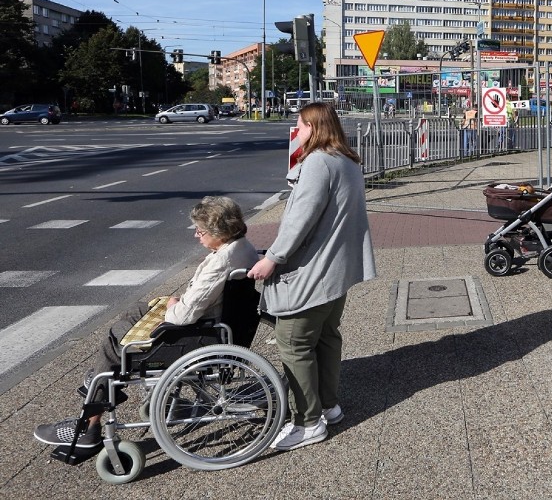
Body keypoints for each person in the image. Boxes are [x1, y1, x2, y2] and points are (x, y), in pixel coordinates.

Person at [33, 196, 259, 449]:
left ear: (220, 231)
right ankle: (102, 378)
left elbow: (184, 316)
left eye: (201, 231)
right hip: (215, 325)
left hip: (197, 335)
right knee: (138, 309)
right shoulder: (242, 247)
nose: (197, 235)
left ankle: (90, 426)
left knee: (112, 342)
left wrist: (174, 305)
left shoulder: (221, 261)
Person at [248, 102, 375, 452]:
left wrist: (273, 258)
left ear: (315, 127)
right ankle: (329, 406)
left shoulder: (319, 162)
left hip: (312, 273)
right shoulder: (347, 161)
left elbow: (299, 219)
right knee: (326, 337)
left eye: (301, 126)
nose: (297, 132)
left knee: (294, 343)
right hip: (338, 272)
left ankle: (307, 423)